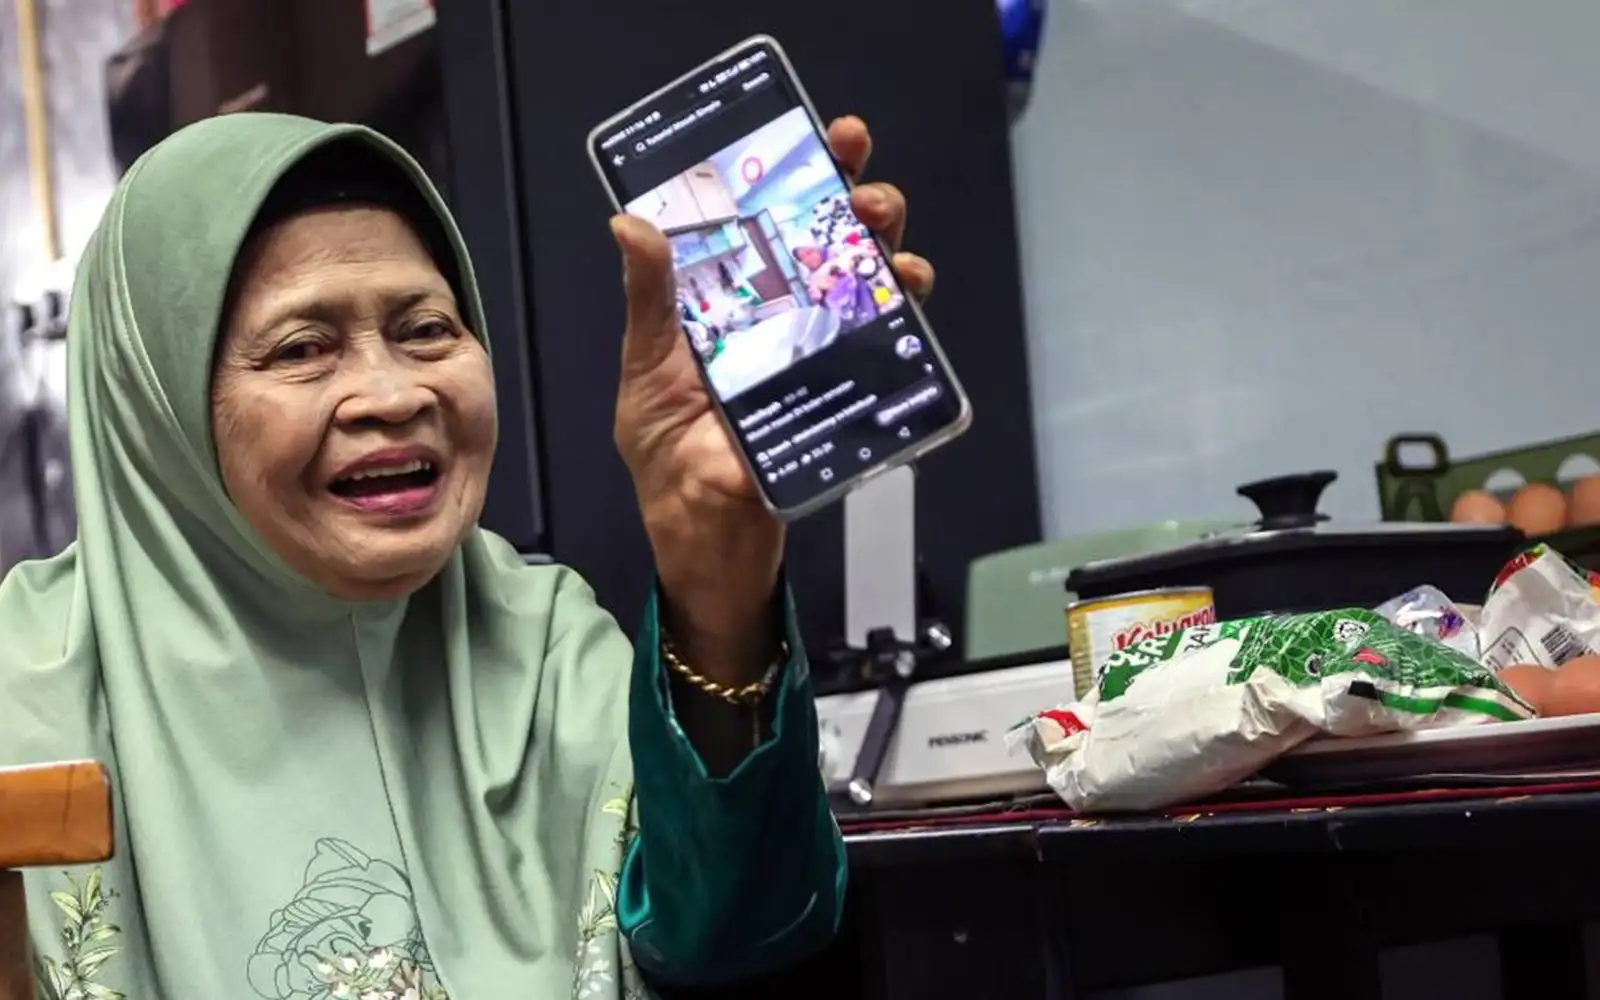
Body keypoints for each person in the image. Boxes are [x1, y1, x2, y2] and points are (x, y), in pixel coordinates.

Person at [0, 111, 933, 999]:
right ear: (155, 404)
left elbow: (748, 937)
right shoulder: (26, 691)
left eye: (426, 330)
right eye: (302, 348)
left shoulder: (539, 643)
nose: (392, 394)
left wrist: (717, 576)